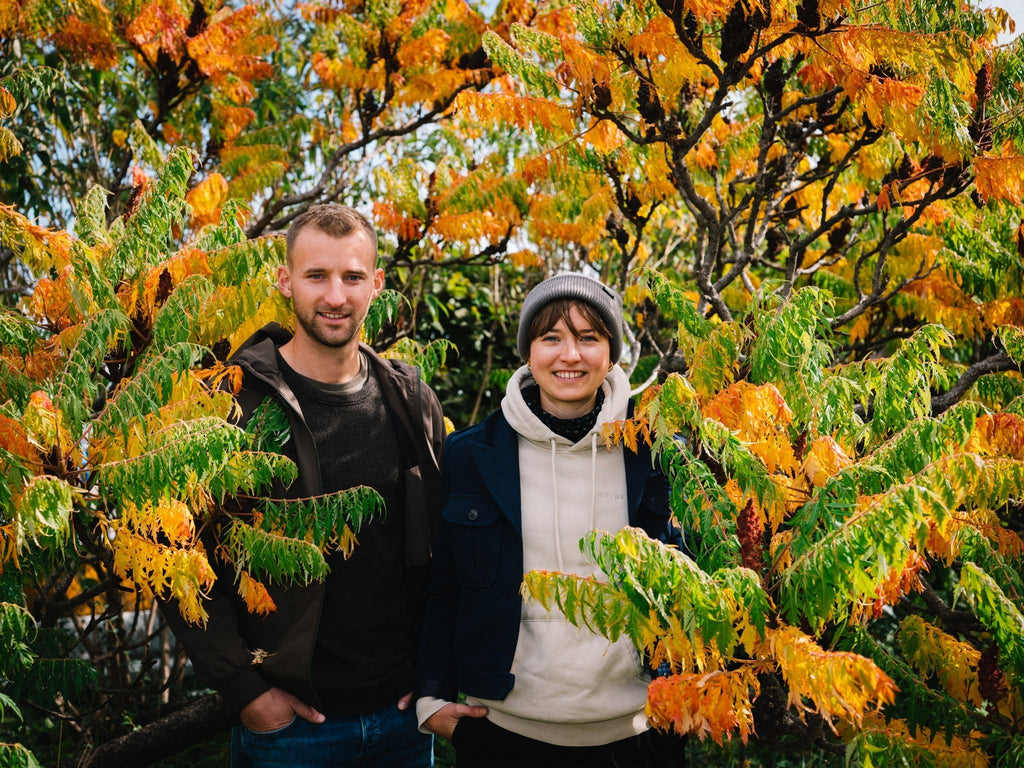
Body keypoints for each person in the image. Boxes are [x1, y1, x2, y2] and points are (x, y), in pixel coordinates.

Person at [160, 204, 445, 767]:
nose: (335, 296)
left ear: (376, 285)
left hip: (402, 720)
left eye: (352, 277)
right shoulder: (230, 402)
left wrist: (436, 671)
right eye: (317, 276)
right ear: (286, 281)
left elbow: (443, 545)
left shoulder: (411, 399)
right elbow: (174, 552)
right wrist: (245, 691)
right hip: (290, 730)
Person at [415, 273, 684, 767]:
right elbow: (445, 586)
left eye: (588, 337)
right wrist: (431, 699)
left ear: (611, 352)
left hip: (638, 730)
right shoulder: (471, 454)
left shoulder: (656, 449)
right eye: (551, 338)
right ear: (528, 351)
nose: (570, 355)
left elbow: (694, 579)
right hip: (503, 730)